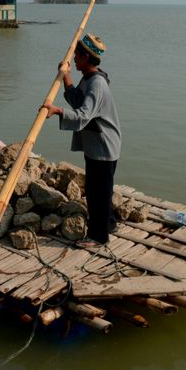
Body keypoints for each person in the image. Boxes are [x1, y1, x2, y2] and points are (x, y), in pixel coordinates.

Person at [42, 33, 121, 246]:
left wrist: (57, 111)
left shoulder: (97, 85)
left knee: (98, 193)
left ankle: (99, 236)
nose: (74, 58)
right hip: (96, 145)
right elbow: (78, 100)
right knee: (100, 189)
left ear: (86, 57)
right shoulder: (88, 79)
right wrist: (66, 76)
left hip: (104, 146)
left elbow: (83, 115)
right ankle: (109, 222)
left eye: (77, 55)